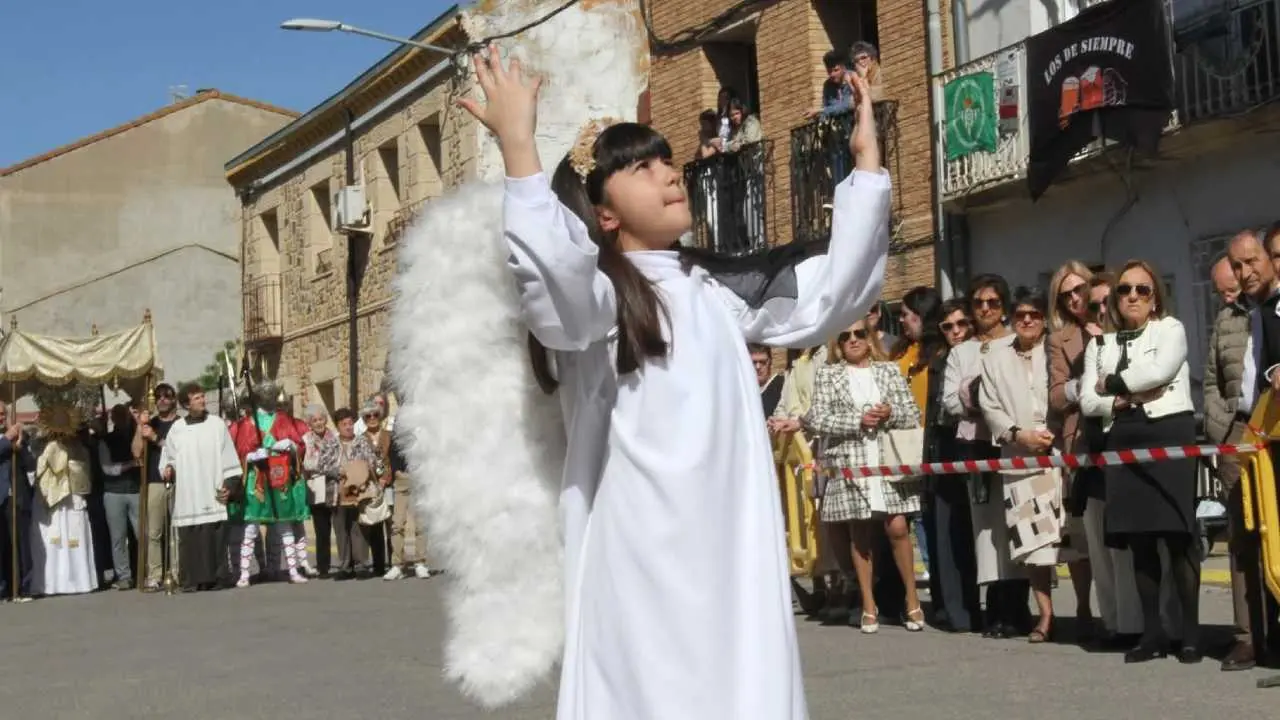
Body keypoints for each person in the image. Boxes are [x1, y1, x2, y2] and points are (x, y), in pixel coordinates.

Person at [455, 44, 889, 718]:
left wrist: (866, 166)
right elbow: (556, 287)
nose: (668, 174)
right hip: (642, 563)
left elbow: (832, 294)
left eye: (665, 160)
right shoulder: (604, 298)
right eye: (639, 167)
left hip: (729, 550)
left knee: (742, 689)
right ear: (605, 214)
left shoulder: (717, 292)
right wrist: (520, 148)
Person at [1081, 260, 1201, 664]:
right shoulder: (1102, 344)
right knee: (1140, 539)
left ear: (1154, 298)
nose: (1132, 296)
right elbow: (1087, 399)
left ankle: (1189, 633)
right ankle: (1152, 634)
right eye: (1124, 290)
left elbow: (1161, 369)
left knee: (1177, 537)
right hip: (1124, 436)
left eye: (1142, 290)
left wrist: (1114, 384)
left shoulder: (1171, 329)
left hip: (1169, 432)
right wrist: (1124, 397)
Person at [805, 317, 924, 633]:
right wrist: (858, 421)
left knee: (898, 527)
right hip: (850, 461)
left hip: (887, 458)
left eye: (860, 333)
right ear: (838, 344)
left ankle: (913, 599)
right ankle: (868, 604)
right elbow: (816, 419)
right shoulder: (829, 374)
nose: (853, 340)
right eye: (845, 336)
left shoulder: (888, 370)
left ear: (871, 338)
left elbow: (913, 413)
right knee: (860, 535)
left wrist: (890, 413)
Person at [979, 286, 1062, 643]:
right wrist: (1017, 435)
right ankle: (1045, 615)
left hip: (1060, 455)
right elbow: (990, 406)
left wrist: (1054, 433)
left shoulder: (1055, 350)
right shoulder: (995, 358)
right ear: (1012, 320)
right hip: (1020, 459)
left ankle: (1087, 610)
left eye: (1035, 315)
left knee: (1072, 542)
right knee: (1033, 545)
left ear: (1044, 320)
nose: (1027, 320)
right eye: (1021, 315)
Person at [159, 383, 242, 592]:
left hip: (211, 488)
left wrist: (230, 486)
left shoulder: (217, 424)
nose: (202, 400)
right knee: (191, 536)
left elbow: (229, 456)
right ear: (187, 404)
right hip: (189, 493)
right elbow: (169, 458)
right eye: (197, 398)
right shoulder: (177, 429)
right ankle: (192, 579)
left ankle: (218, 577)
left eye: (202, 396)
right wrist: (169, 468)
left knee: (215, 534)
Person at [229, 378, 310, 587]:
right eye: (265, 394)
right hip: (256, 478)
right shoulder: (247, 424)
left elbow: (299, 444)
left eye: (272, 394)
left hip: (278, 474)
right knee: (251, 526)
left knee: (284, 524)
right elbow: (238, 451)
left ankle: (293, 570)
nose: (269, 398)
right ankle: (244, 573)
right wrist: (252, 456)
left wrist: (291, 445)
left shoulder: (284, 420)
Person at [0, 400, 35, 602]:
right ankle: (3, 587)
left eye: (3, 414)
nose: (1, 418)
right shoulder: (6, 437)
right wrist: (7, 439)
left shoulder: (20, 436)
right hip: (1, 496)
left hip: (18, 496)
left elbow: (31, 463)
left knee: (21, 544)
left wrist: (20, 446)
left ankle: (23, 586)